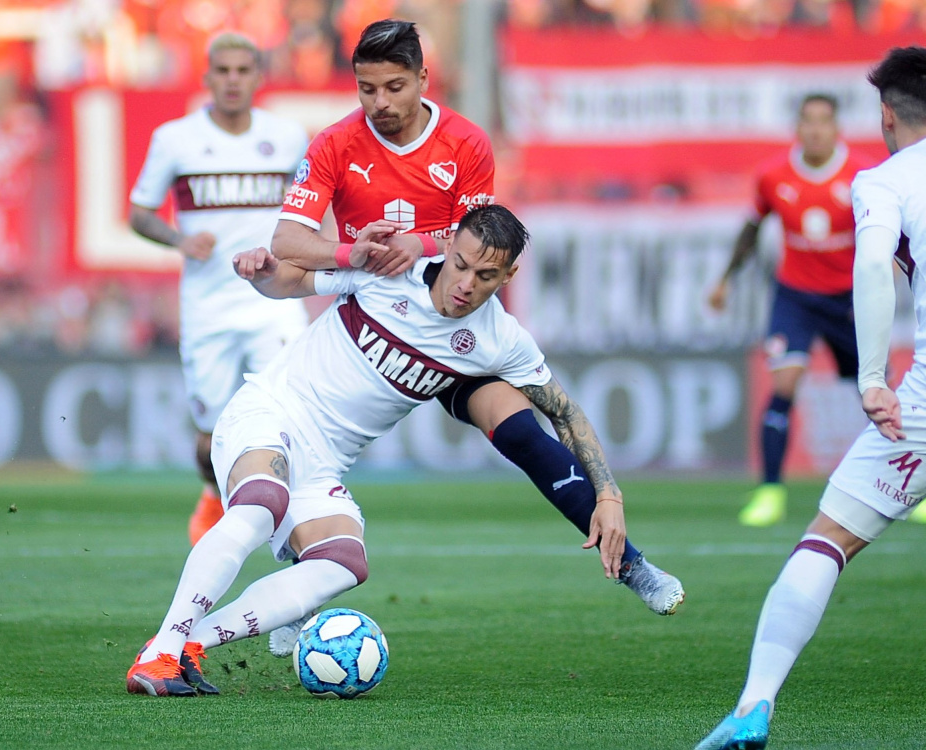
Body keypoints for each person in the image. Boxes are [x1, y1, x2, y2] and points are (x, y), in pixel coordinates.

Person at [126, 204, 672, 697]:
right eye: (461, 265)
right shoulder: (388, 271)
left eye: (486, 276)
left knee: (343, 563)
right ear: (448, 246)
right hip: (269, 413)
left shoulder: (500, 340)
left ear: (508, 276)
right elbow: (289, 282)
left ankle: (187, 643)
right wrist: (262, 272)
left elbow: (565, 412)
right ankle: (159, 654)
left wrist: (609, 495)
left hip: (322, 465)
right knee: (262, 504)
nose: (466, 284)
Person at [268, 19, 684, 652]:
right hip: (379, 317)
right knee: (302, 449)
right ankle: (296, 589)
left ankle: (634, 567)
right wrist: (356, 254)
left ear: (423, 78)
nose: (380, 102)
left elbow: (479, 236)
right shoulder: (333, 143)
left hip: (455, 322)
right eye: (367, 89)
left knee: (523, 432)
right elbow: (288, 241)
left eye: (394, 87)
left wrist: (420, 244)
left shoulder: (465, 142)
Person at [696, 46, 926, 750]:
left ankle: (753, 708)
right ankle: (769, 487)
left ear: (884, 115)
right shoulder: (783, 178)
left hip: (920, 395)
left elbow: (873, 266)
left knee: (827, 539)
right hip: (799, 299)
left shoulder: (883, 181)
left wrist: (872, 377)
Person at [129, 32, 310, 546]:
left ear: (258, 77)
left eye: (242, 70)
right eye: (223, 71)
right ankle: (213, 493)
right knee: (210, 435)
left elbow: (312, 206)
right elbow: (139, 212)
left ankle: (294, 517)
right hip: (208, 305)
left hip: (275, 301)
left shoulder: (288, 137)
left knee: (292, 416)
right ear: (208, 77)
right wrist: (179, 239)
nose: (233, 80)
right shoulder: (175, 139)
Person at [707, 93, 875, 527]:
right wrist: (725, 279)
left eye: (823, 121)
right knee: (783, 384)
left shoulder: (861, 176)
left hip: (848, 300)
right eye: (808, 121)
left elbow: (885, 235)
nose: (815, 130)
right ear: (797, 128)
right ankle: (770, 492)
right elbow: (752, 228)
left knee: (876, 394)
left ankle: (910, 489)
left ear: (836, 128)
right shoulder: (773, 176)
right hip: (795, 297)